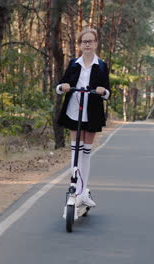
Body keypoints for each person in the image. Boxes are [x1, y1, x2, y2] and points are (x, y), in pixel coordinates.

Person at [56, 28, 110, 207]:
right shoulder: (73, 64)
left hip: (92, 111)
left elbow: (108, 92)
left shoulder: (101, 65)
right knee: (76, 150)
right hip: (74, 109)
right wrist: (63, 86)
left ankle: (83, 190)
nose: (87, 44)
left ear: (95, 44)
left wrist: (103, 91)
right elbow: (61, 85)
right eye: (84, 41)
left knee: (86, 152)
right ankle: (75, 189)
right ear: (80, 45)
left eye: (90, 41)